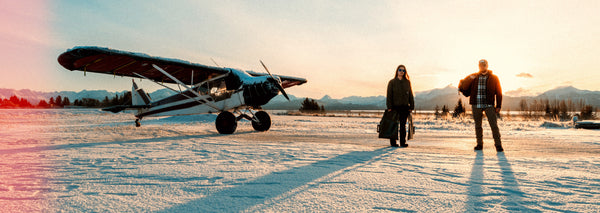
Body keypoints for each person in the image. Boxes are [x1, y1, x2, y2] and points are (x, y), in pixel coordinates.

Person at [459, 59, 503, 152]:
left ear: (487, 66)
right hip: (476, 104)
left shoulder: (494, 78)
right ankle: (479, 144)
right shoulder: (474, 77)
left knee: (494, 125)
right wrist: (461, 87)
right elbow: (466, 90)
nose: (482, 67)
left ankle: (498, 145)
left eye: (484, 65)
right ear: (479, 66)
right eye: (480, 65)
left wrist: (498, 105)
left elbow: (499, 92)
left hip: (489, 105)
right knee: (478, 126)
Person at [386, 65, 415, 147]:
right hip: (394, 107)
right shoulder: (392, 82)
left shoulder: (407, 82)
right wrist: (389, 107)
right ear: (397, 71)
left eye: (403, 70)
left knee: (403, 126)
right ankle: (393, 142)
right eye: (400, 70)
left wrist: (411, 106)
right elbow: (389, 95)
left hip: (405, 107)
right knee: (394, 125)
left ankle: (403, 142)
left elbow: (410, 95)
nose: (402, 71)